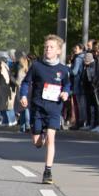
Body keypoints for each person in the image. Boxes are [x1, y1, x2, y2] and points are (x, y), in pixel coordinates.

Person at [19, 34, 70, 184]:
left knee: (51, 139)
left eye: (51, 47)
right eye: (46, 47)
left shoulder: (63, 69)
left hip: (54, 108)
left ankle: (48, 171)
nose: (48, 49)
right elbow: (26, 83)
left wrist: (66, 92)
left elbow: (67, 84)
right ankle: (38, 136)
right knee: (37, 142)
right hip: (38, 108)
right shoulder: (36, 66)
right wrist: (23, 96)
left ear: (59, 51)